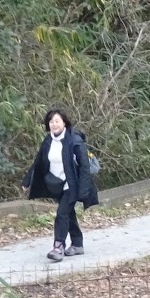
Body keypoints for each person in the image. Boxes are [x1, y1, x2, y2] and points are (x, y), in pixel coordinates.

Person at [22, 107, 100, 261]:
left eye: (57, 121)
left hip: (72, 185)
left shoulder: (74, 140)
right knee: (68, 214)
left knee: (62, 213)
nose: (54, 124)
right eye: (51, 121)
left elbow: (84, 166)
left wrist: (83, 189)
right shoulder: (48, 141)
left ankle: (58, 247)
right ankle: (77, 244)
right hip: (57, 184)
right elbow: (38, 162)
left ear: (64, 123)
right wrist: (27, 180)